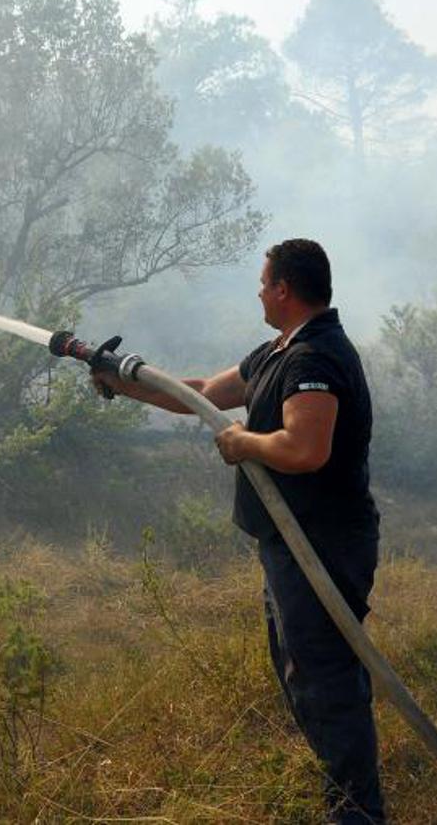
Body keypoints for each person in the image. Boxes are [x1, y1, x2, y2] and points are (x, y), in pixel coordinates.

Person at [92, 239, 384, 824]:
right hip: (287, 542)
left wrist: (243, 441)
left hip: (321, 544)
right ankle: (348, 799)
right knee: (303, 671)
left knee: (324, 676)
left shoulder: (315, 359)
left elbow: (305, 449)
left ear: (283, 289)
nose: (257, 290)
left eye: (263, 281)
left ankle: (357, 813)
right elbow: (199, 393)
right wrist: (121, 383)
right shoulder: (279, 351)